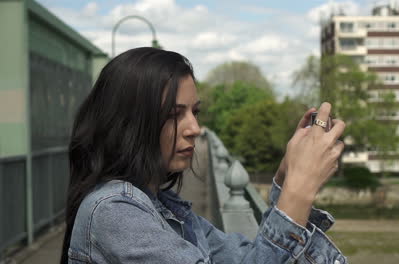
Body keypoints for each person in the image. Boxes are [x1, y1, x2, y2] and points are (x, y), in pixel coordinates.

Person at [61, 47, 347, 264]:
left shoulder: (165, 209)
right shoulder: (114, 211)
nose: (195, 129)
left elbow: (250, 258)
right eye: (174, 115)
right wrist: (299, 191)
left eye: (194, 112)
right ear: (129, 123)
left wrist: (286, 179)